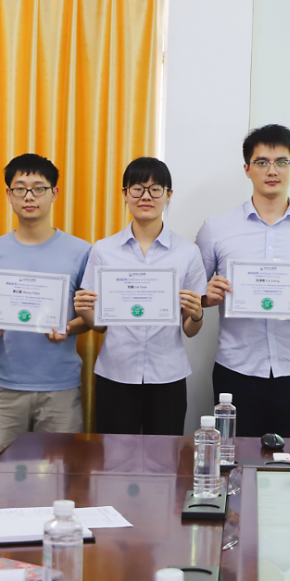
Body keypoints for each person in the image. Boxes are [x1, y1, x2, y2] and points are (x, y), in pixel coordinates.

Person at [196, 124, 290, 438]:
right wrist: (207, 295)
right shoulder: (216, 229)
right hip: (236, 369)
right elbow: (195, 296)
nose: (272, 170)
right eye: (261, 162)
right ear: (247, 169)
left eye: (281, 162)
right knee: (235, 459)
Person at [0, 154, 91, 461]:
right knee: (1, 476)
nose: (29, 196)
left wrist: (68, 328)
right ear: (8, 194)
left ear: (54, 193)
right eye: (20, 188)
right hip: (3, 387)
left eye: (39, 188)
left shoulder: (81, 251)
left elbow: (90, 318)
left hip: (60, 386)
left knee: (60, 475)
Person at [74, 157, 206, 435]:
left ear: (168, 195)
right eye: (137, 188)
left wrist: (196, 315)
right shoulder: (103, 250)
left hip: (168, 375)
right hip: (115, 373)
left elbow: (190, 330)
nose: (146, 196)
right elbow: (100, 325)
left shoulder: (187, 253)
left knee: (165, 456)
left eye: (155, 189)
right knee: (115, 456)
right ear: (125, 194)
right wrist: (84, 308)